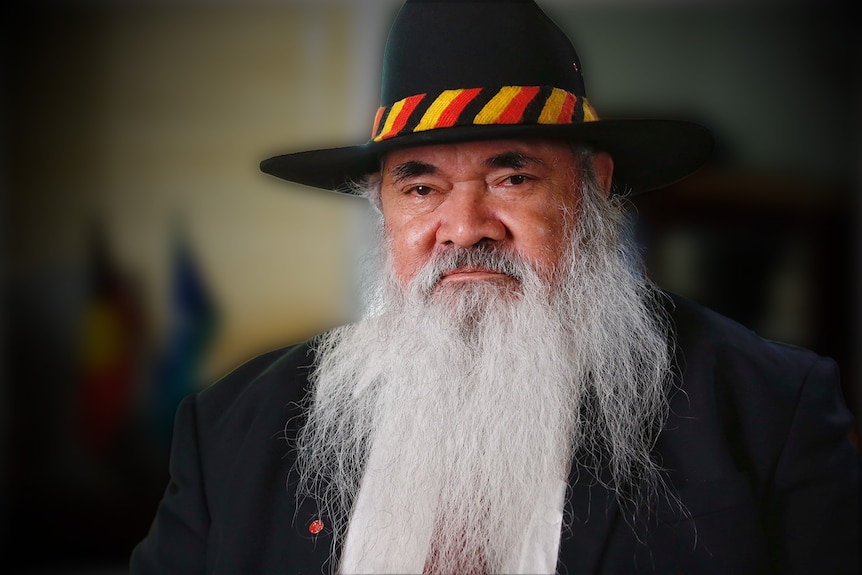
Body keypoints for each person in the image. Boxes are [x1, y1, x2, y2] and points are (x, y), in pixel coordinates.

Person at [130, 1, 859, 573]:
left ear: (593, 187)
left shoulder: (769, 409)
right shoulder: (231, 428)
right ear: (380, 207)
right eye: (420, 186)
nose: (465, 226)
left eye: (513, 177)